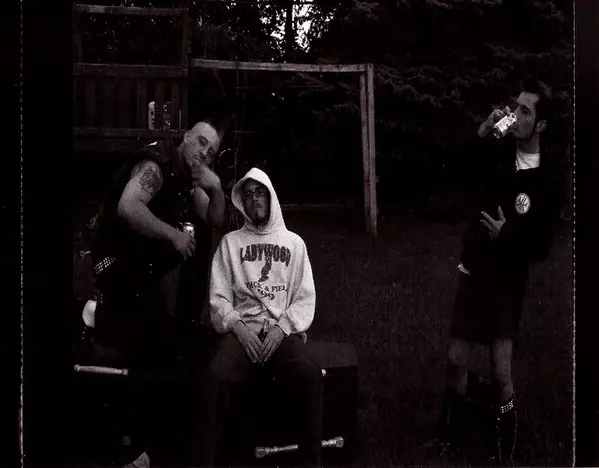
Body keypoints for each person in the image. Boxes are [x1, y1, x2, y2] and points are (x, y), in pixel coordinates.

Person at [90, 116, 230, 467]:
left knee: (200, 232)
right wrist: (173, 235)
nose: (204, 153)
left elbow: (215, 219)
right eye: (201, 142)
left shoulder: (191, 176)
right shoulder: (158, 164)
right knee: (154, 347)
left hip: (141, 269)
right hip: (113, 262)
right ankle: (141, 450)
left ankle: (186, 317)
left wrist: (216, 188)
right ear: (186, 137)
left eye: (211, 151)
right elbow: (128, 206)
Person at [439, 77, 563, 464]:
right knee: (456, 359)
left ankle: (504, 447)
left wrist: (506, 234)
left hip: (507, 280)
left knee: (500, 369)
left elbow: (541, 246)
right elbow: (457, 171)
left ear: (541, 124)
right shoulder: (499, 149)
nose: (516, 114)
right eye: (516, 106)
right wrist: (481, 133)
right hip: (475, 268)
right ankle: (449, 437)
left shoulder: (548, 177)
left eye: (525, 111)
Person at [194, 168, 323, 467]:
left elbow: (305, 297)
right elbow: (218, 298)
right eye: (249, 195)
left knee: (310, 372)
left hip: (281, 333)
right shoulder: (230, 243)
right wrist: (237, 327)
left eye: (260, 192)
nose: (255, 200)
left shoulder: (294, 244)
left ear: (271, 196)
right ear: (242, 202)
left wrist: (283, 327)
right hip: (242, 332)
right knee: (215, 375)